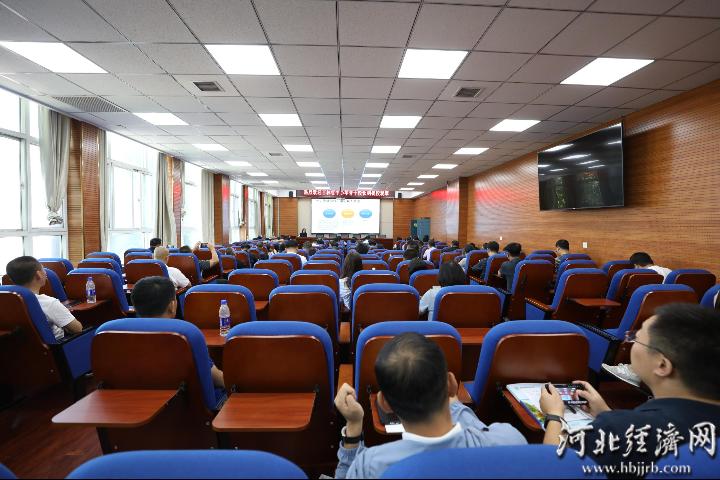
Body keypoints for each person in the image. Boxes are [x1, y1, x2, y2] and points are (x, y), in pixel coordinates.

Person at [540, 303, 720, 470]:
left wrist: (554, 416)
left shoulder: (619, 431)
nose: (631, 342)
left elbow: (555, 467)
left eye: (636, 338)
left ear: (662, 365)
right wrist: (606, 413)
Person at [334, 332, 526, 478]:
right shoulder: (509, 441)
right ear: (452, 384)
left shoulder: (369, 466)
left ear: (384, 403)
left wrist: (354, 424)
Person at [130, 276, 224, 388]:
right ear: (172, 305)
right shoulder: (187, 334)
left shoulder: (116, 333)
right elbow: (216, 379)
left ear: (135, 306)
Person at [5, 256, 83, 340]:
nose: (45, 272)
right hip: (58, 345)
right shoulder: (49, 303)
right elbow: (77, 329)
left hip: (21, 346)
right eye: (43, 269)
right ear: (38, 274)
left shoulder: (5, 301)